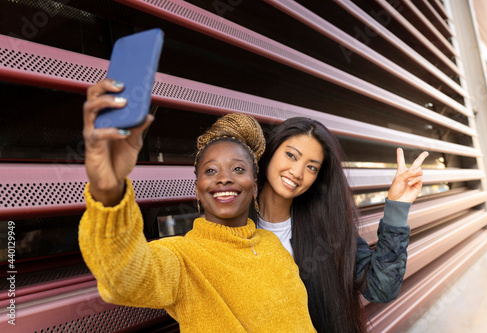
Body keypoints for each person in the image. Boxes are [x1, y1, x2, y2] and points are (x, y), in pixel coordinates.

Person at [78, 79, 316, 332]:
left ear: (255, 186)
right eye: (211, 170)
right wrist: (108, 189)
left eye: (238, 169)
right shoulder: (182, 257)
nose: (224, 178)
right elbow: (124, 277)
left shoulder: (272, 246)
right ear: (198, 191)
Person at [255, 117, 429, 333]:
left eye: (311, 167)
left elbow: (382, 288)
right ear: (271, 151)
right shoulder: (231, 224)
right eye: (291, 155)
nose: (297, 173)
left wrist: (397, 208)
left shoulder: (328, 230)